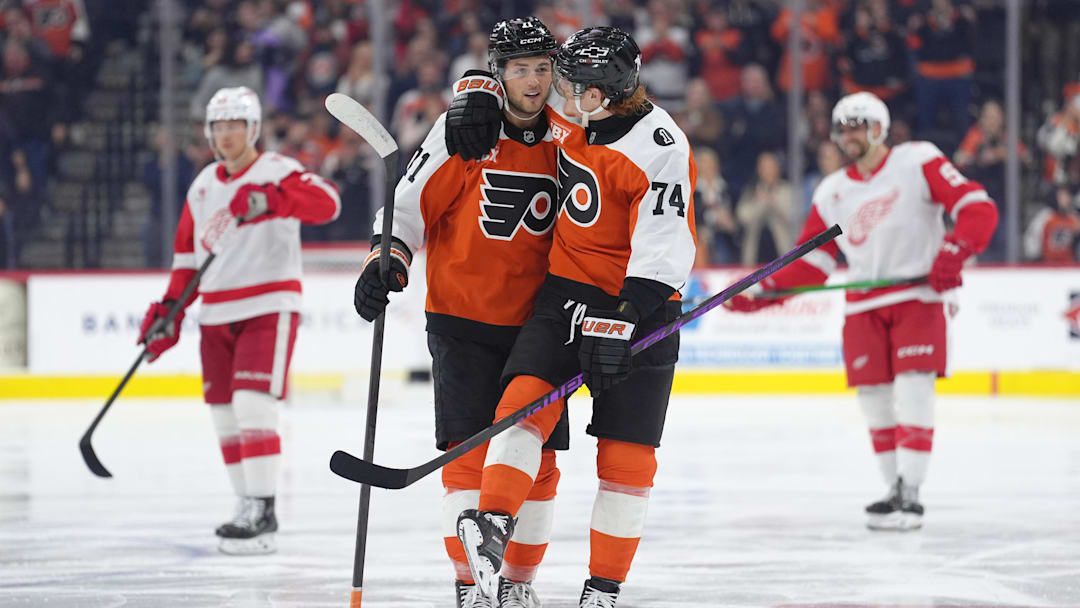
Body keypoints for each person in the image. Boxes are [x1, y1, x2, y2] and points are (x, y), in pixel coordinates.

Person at [448, 27, 697, 606]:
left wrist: (629, 319)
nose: (559, 92)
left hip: (643, 304)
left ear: (605, 93)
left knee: (626, 456)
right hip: (565, 294)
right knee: (523, 402)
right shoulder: (575, 116)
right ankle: (490, 523)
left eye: (574, 85)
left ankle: (602, 588)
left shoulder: (660, 145)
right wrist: (478, 87)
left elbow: (666, 247)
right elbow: (515, 79)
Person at [352, 18, 568, 608]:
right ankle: (471, 585)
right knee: (467, 459)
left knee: (540, 463)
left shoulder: (570, 138)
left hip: (541, 323)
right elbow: (406, 207)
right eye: (520, 69)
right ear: (498, 73)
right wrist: (386, 260)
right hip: (462, 319)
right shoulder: (463, 132)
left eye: (543, 69)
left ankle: (518, 582)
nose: (533, 81)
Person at [727, 92, 998, 531]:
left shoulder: (918, 161)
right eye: (843, 127)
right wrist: (762, 293)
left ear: (879, 127)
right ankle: (892, 490)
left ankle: (910, 493)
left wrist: (954, 250)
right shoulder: (832, 190)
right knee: (874, 402)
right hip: (864, 308)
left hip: (917, 299)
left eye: (859, 125)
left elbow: (976, 207)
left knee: (913, 392)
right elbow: (812, 262)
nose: (850, 134)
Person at [136, 86, 340, 554]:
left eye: (235, 125)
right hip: (215, 313)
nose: (226, 135)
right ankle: (245, 504)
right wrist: (169, 312)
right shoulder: (204, 184)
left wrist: (272, 199)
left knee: (253, 405)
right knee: (225, 415)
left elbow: (327, 204)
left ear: (253, 129)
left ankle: (264, 509)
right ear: (209, 133)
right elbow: (187, 258)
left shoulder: (279, 171)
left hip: (267, 305)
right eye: (218, 126)